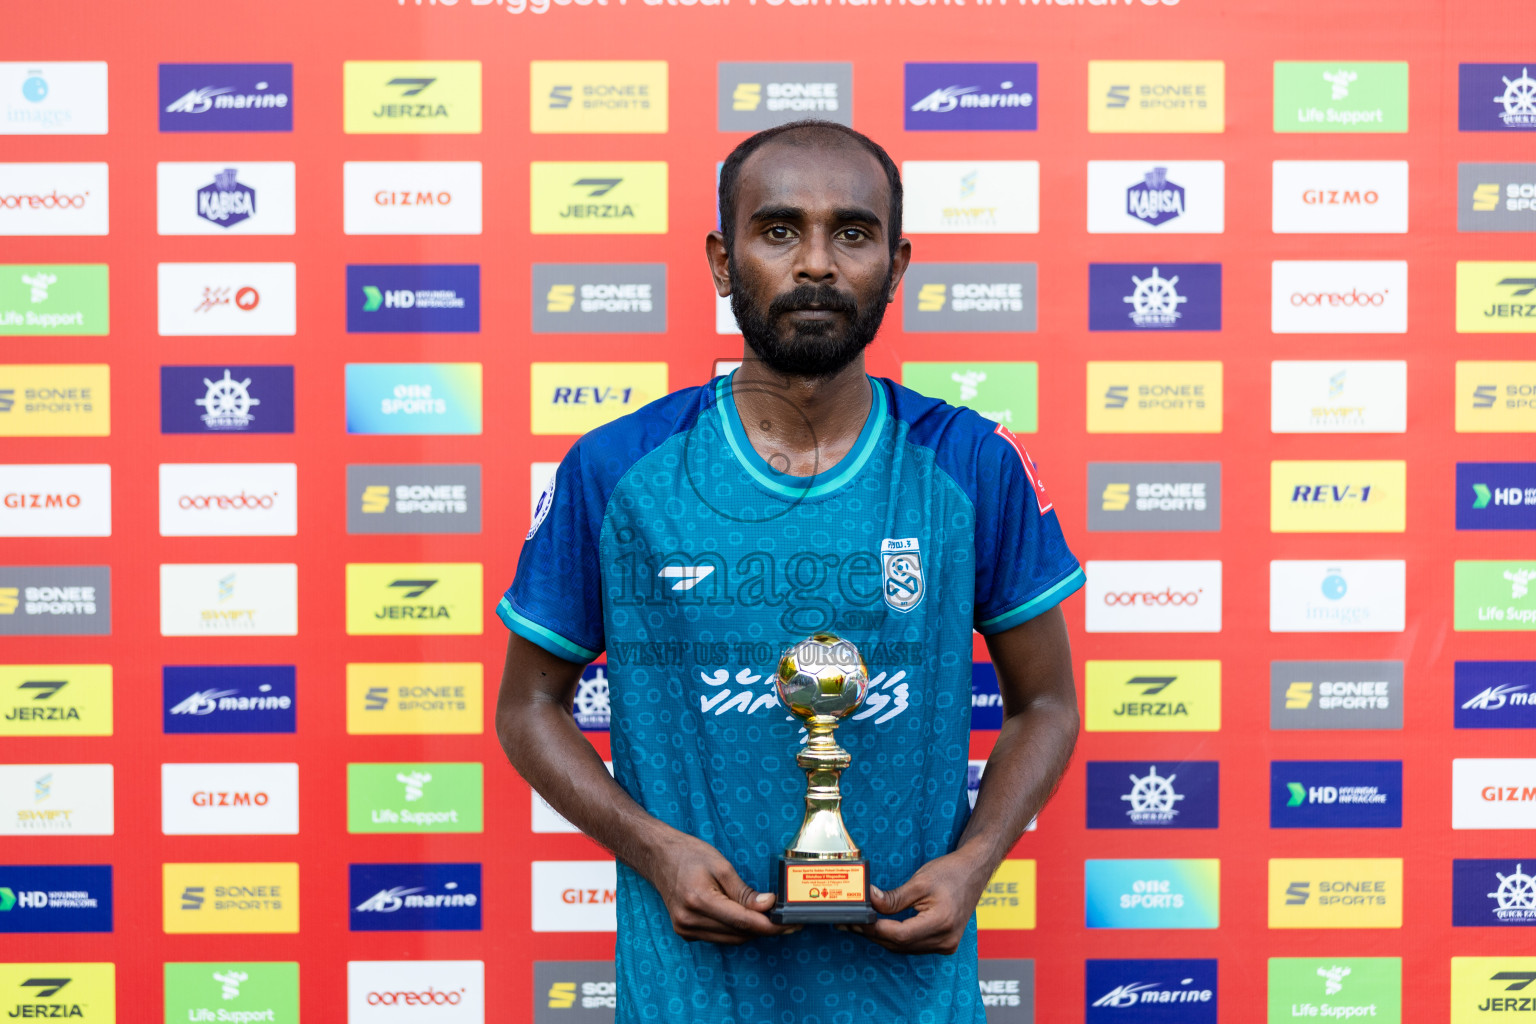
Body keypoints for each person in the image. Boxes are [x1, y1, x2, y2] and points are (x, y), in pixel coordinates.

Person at [496, 119, 1084, 1023]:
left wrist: (974, 863)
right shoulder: (619, 469)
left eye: (853, 233)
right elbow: (528, 707)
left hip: (910, 998)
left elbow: (1045, 703)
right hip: (692, 998)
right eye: (778, 231)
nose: (817, 264)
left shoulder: (971, 464)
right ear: (723, 262)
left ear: (897, 262)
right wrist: (655, 850)